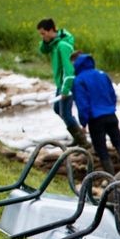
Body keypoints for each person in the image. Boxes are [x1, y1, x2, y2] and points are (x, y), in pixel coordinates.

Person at [71, 52, 120, 175]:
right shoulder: (102, 74)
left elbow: (82, 104)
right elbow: (112, 94)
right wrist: (110, 108)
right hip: (111, 116)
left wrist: (83, 122)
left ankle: (111, 179)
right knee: (119, 142)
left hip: (96, 119)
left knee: (101, 149)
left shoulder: (79, 80)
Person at [36, 18, 88, 148]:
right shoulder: (54, 43)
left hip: (67, 83)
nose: (42, 37)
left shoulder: (62, 46)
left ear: (51, 30)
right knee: (58, 109)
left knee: (65, 113)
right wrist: (45, 40)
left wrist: (65, 89)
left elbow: (68, 69)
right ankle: (78, 134)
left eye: (43, 34)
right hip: (61, 83)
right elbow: (43, 50)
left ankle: (83, 142)